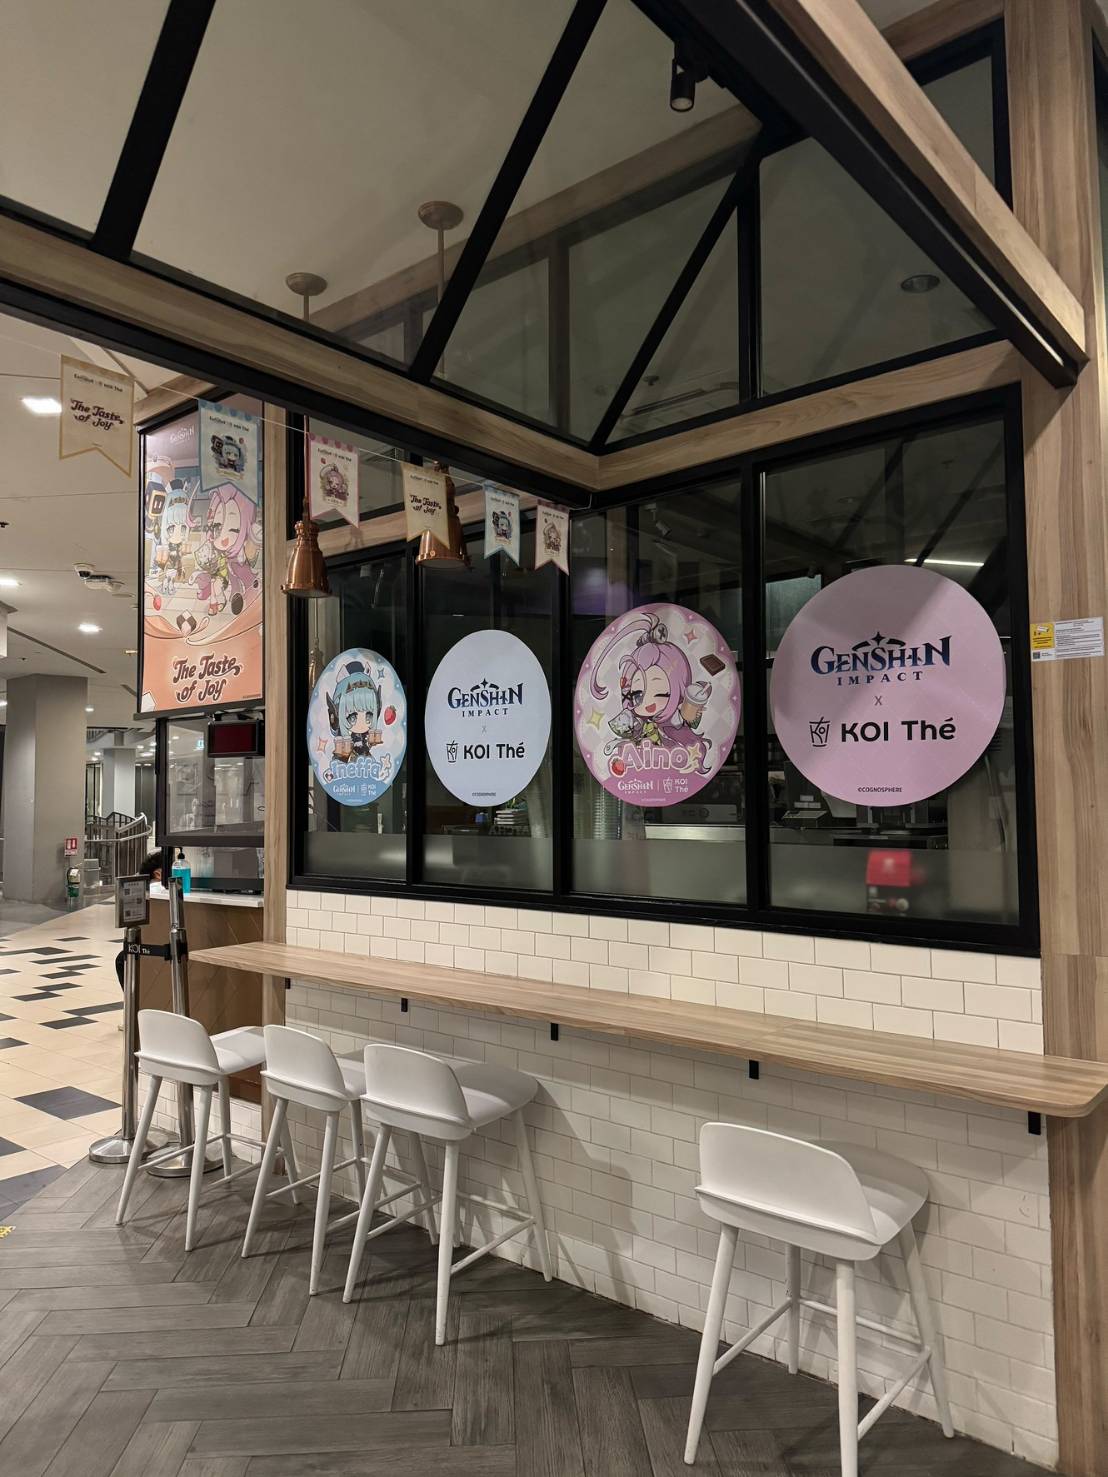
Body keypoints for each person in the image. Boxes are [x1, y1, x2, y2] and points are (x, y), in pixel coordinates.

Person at [114, 853, 163, 990]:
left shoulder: (142, 890)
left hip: (150, 947)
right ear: (158, 874)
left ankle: (132, 1002)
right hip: (156, 948)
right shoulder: (158, 890)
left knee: (121, 959)